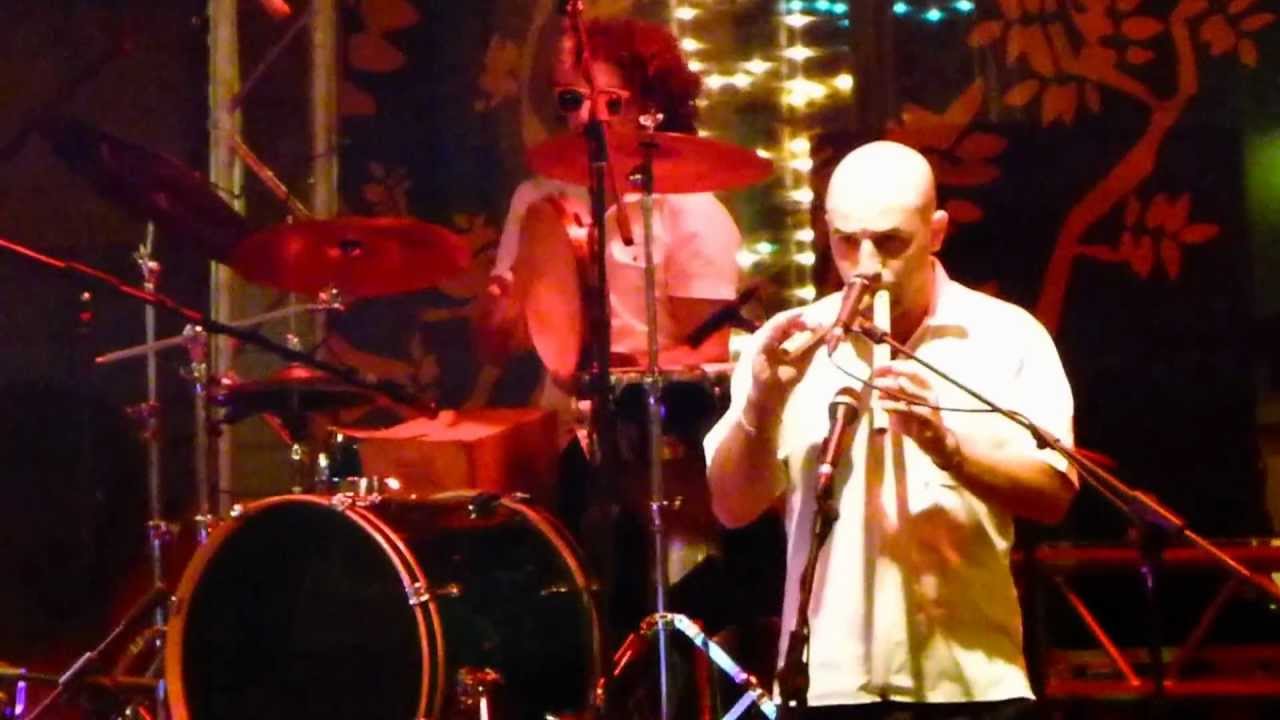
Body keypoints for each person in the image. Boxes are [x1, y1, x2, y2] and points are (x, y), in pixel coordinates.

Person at [704, 141, 1078, 719]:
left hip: (973, 684)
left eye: (889, 241)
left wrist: (951, 450)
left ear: (937, 232)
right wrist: (763, 404)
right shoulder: (790, 342)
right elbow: (731, 506)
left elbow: (1055, 494)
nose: (866, 265)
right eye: (846, 241)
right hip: (829, 688)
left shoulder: (1008, 335)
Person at [482, 16, 742, 370]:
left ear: (650, 109)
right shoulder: (537, 199)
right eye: (572, 99)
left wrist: (615, 371)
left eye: (611, 102)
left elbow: (710, 352)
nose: (585, 116)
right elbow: (495, 349)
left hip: (655, 401)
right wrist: (501, 316)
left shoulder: (691, 210)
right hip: (564, 403)